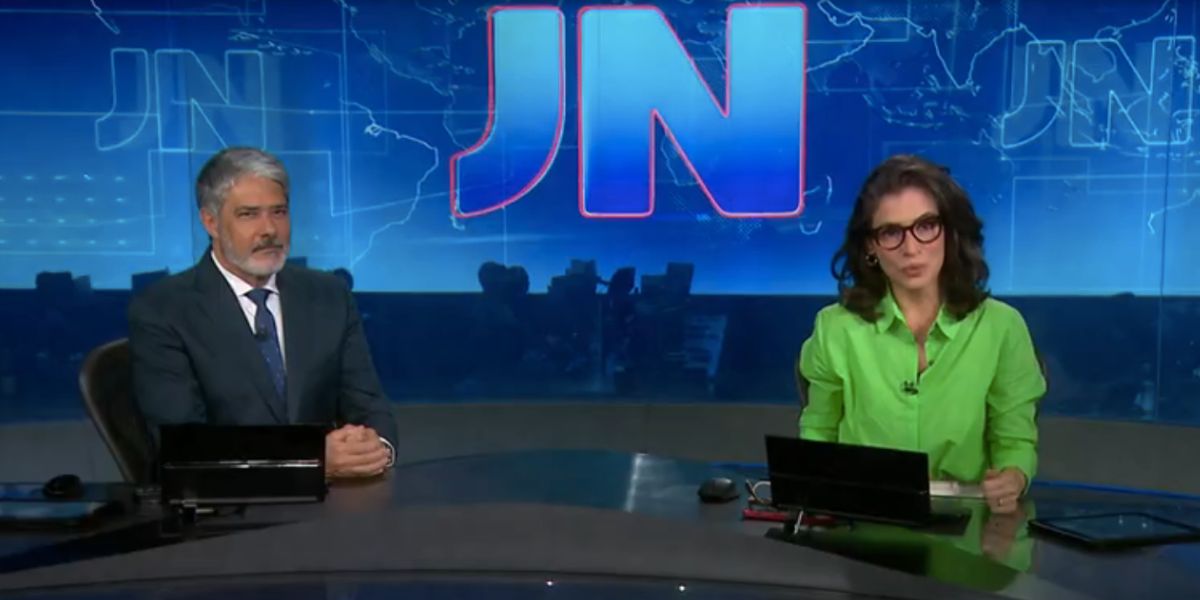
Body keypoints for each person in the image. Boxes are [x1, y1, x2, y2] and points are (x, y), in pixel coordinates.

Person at [797, 154, 1045, 514]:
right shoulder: (836, 328)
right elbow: (818, 433)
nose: (911, 249)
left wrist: (1013, 476)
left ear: (950, 232)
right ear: (870, 247)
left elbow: (1015, 440)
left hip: (968, 531)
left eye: (926, 226)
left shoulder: (1001, 328)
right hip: (861, 527)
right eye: (891, 232)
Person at [129, 147, 397, 479]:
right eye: (248, 214)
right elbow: (186, 445)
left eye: (279, 212)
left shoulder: (328, 295)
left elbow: (369, 404)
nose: (269, 229)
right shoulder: (164, 310)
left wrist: (376, 450)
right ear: (210, 221)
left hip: (334, 506)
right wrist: (310, 460)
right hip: (228, 512)